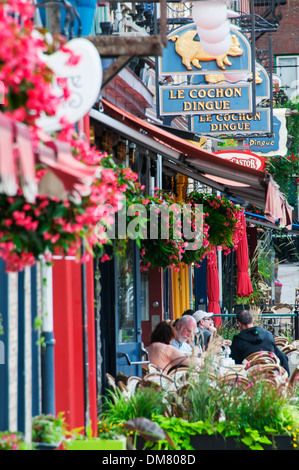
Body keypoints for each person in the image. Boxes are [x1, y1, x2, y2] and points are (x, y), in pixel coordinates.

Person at [230, 310, 290, 375]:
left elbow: (235, 362)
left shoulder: (238, 340)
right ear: (252, 320)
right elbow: (282, 356)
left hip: (250, 377)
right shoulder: (268, 334)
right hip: (271, 375)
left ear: (239, 323)